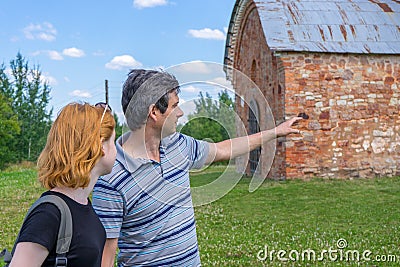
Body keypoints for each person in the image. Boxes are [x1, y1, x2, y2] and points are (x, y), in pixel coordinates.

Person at [92, 69, 302, 267]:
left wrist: (275, 131)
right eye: (175, 106)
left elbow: (222, 150)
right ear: (154, 112)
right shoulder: (111, 179)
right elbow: (106, 254)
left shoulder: (177, 144)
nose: (181, 113)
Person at [9, 102, 116, 267]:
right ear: (101, 145)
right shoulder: (48, 214)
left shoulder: (84, 205)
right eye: (113, 141)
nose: (116, 149)